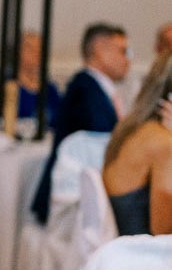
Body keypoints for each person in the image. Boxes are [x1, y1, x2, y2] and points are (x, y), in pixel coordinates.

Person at [31, 22, 130, 223]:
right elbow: (103, 145)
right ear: (100, 51)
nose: (128, 60)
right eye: (123, 51)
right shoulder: (85, 90)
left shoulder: (95, 88)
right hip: (73, 204)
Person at [102, 53, 172, 234]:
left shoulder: (133, 128)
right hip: (146, 256)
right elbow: (164, 233)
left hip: (125, 249)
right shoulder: (163, 143)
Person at [15, 29, 60, 127]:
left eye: (40, 49)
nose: (37, 54)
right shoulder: (9, 87)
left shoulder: (51, 89)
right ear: (18, 51)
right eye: (30, 49)